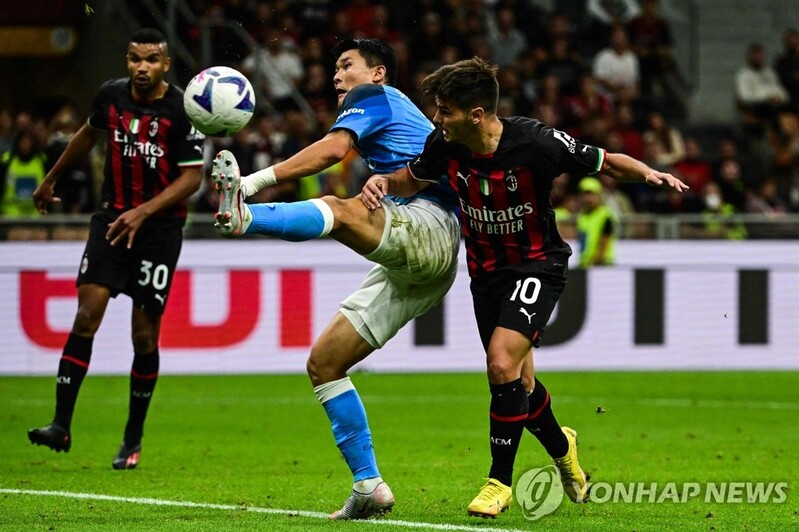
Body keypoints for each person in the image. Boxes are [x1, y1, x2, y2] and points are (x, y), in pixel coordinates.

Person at [360, 57, 689, 518]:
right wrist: (381, 180)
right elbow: (411, 179)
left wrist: (649, 173)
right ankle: (562, 446)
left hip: (537, 264)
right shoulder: (445, 143)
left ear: (476, 114)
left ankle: (498, 482)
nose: (436, 119)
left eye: (445, 110)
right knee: (520, 383)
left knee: (499, 362)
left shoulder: (535, 141)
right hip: (486, 274)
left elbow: (605, 161)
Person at [212, 38, 459, 519]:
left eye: (348, 65)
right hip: (425, 259)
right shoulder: (394, 108)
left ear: (378, 73)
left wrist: (253, 182)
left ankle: (246, 217)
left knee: (340, 210)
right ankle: (369, 486)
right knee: (324, 364)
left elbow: (332, 150)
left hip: (430, 227)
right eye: (336, 67)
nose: (337, 75)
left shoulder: (374, 97)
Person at [27, 28, 204, 470]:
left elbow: (191, 178)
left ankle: (131, 439)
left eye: (150, 60)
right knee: (87, 315)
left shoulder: (182, 110)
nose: (141, 67)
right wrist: (51, 178)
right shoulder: (110, 97)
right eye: (133, 59)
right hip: (111, 221)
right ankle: (60, 424)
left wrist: (143, 212)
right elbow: (88, 136)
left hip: (159, 231)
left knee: (143, 335)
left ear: (165, 65)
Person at [576, 176, 617, 267]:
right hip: (585, 263)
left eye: (590, 194)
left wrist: (597, 261)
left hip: (601, 265)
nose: (587, 198)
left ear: (598, 195)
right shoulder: (582, 215)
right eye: (584, 194)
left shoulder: (605, 215)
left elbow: (604, 241)